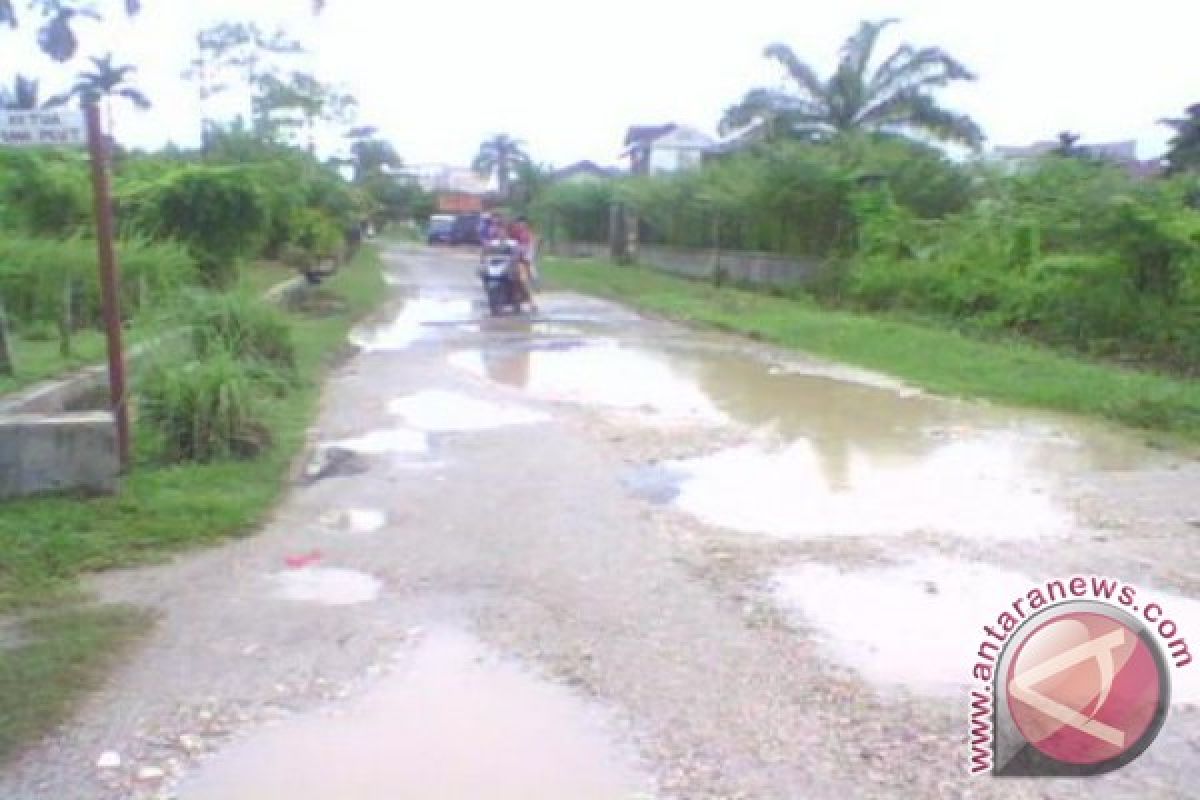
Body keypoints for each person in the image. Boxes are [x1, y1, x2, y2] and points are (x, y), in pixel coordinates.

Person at [509, 216, 537, 314]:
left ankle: (532, 302)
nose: (520, 225)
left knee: (523, 281)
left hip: (523, 261)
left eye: (522, 223)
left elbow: (530, 249)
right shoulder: (513, 234)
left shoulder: (528, 235)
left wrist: (526, 258)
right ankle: (516, 301)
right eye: (518, 223)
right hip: (513, 261)